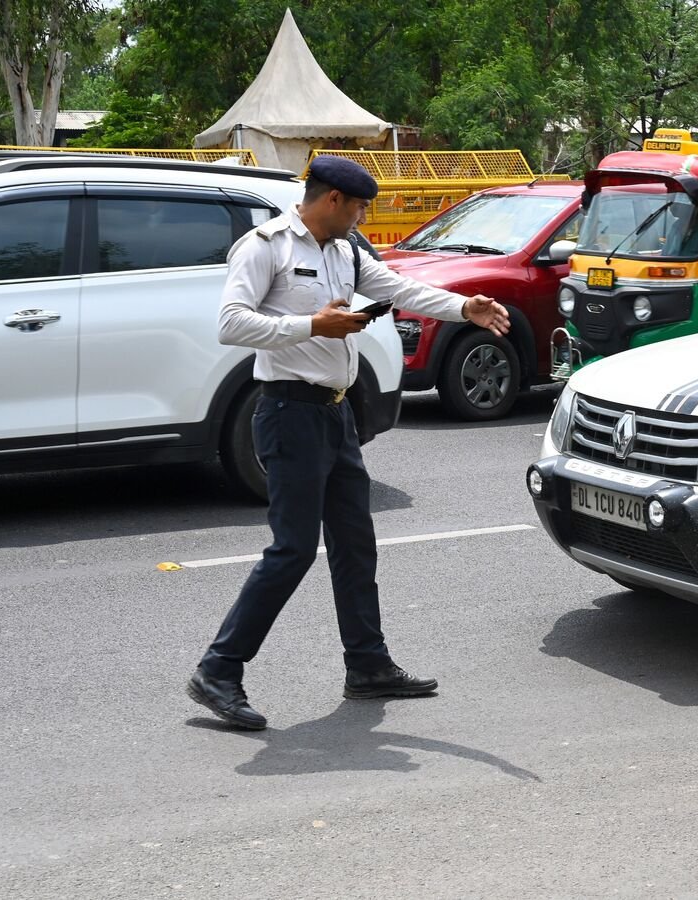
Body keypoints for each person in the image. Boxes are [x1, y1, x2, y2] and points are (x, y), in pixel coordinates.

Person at [187, 156, 512, 731]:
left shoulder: (344, 251)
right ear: (333, 199)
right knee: (291, 550)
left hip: (335, 417)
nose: (363, 216)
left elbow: (400, 286)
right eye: (360, 206)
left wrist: (465, 307)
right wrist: (312, 325)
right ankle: (218, 670)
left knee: (355, 544)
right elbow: (230, 324)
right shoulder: (266, 247)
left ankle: (367, 666)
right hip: (288, 412)